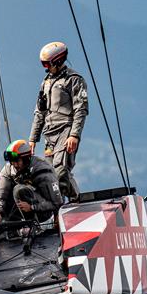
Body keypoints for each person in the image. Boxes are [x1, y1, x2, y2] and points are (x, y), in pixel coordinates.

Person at [29, 41, 88, 199]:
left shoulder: (74, 80)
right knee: (50, 174)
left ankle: (61, 209)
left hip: (66, 131)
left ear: (58, 61)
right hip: (50, 134)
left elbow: (80, 109)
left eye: (47, 64)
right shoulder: (45, 83)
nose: (45, 68)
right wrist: (33, 139)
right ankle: (77, 199)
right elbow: (39, 112)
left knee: (60, 169)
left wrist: (74, 135)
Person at [0, 140, 63, 225]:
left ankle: (32, 227)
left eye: (17, 161)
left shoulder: (43, 171)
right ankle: (6, 227)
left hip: (42, 211)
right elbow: (0, 192)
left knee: (19, 189)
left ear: (26, 159)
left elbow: (56, 203)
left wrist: (32, 207)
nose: (14, 164)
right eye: (11, 161)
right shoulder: (9, 169)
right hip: (20, 207)